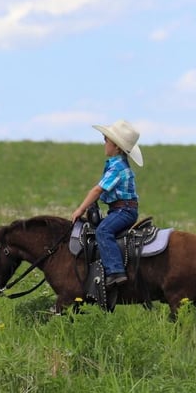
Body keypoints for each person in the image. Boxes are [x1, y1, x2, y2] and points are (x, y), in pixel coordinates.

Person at [71, 120, 143, 286]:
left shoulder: (117, 167)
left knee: (103, 231)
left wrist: (80, 209)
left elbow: (97, 190)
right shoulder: (118, 165)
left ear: (117, 147)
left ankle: (116, 271)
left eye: (106, 140)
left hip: (123, 211)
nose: (104, 143)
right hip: (121, 209)